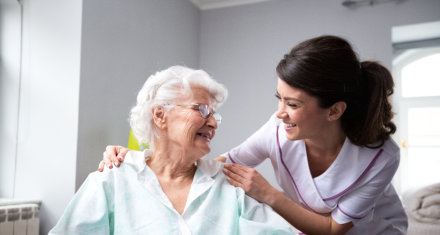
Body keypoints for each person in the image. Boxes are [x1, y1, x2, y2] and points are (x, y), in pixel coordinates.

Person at [100, 36, 408, 234]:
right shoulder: (278, 129)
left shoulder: (380, 157)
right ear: (159, 115)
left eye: (293, 104)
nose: (279, 112)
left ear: (334, 111)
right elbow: (221, 165)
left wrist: (268, 193)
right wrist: (141, 160)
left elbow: (332, 229)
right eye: (279, 98)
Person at [49, 66, 294, 234]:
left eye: (214, 115)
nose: (212, 123)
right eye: (201, 110)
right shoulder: (111, 180)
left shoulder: (231, 184)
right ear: (159, 115)